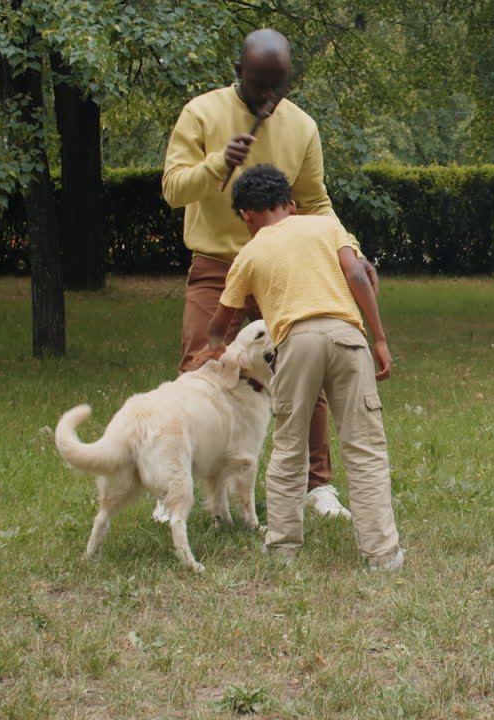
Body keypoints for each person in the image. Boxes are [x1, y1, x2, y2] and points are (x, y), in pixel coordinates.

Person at [162, 28, 371, 519]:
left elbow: (315, 202)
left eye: (279, 86)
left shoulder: (302, 126)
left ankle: (316, 485)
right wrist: (218, 163)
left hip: (284, 266)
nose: (270, 98)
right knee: (200, 368)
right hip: (217, 264)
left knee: (304, 368)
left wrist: (351, 250)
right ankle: (176, 487)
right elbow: (173, 189)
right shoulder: (201, 112)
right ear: (240, 73)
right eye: (260, 86)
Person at [204, 164, 404, 570]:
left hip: (295, 345)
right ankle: (382, 554)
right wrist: (379, 338)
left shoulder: (249, 253)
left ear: (246, 215)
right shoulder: (327, 226)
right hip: (349, 338)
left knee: (289, 447)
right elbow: (358, 275)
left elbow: (221, 323)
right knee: (365, 447)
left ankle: (283, 548)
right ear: (291, 205)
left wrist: (215, 347)